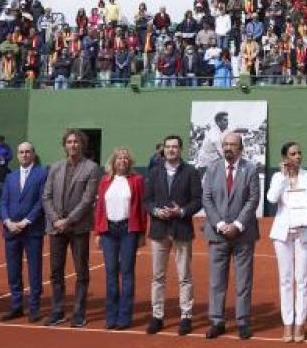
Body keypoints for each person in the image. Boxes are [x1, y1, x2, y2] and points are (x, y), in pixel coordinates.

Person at [202, 131, 261, 340]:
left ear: (241, 148)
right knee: (217, 281)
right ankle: (217, 321)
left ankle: (243, 321)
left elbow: (253, 199)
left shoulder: (251, 169)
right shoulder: (212, 168)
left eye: (233, 145)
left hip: (243, 234)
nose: (228, 148)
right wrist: (219, 224)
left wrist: (237, 224)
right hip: (217, 234)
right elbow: (207, 198)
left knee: (243, 280)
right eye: (225, 144)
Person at [143, 134, 202, 335]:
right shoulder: (154, 172)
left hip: (181, 229)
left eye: (175, 147)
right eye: (168, 147)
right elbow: (147, 200)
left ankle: (186, 316)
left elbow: (197, 200)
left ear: (180, 149)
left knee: (184, 276)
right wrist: (155, 211)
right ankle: (157, 316)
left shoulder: (191, 172)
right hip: (159, 229)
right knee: (157, 277)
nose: (171, 150)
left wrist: (182, 211)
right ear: (163, 150)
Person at [42, 128, 99, 327]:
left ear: (82, 145)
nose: (73, 145)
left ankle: (79, 313)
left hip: (78, 228)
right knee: (55, 272)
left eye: (76, 142)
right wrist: (56, 219)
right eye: (69, 142)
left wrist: (69, 220)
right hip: (56, 228)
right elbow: (46, 196)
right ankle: (57, 311)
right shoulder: (55, 167)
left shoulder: (91, 168)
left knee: (81, 272)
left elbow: (88, 199)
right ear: (64, 145)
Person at [267, 141, 307, 343]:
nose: (298, 156)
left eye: (299, 153)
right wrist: (283, 177)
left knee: (302, 279)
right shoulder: (277, 177)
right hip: (282, 234)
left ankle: (300, 323)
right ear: (285, 157)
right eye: (293, 153)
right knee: (286, 279)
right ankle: (287, 323)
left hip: (304, 232)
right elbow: (272, 199)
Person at [93, 146, 147, 329]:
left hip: (128, 231)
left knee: (127, 273)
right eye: (119, 158)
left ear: (129, 162)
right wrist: (98, 232)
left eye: (125, 158)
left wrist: (141, 233)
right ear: (113, 162)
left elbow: (141, 209)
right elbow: (99, 207)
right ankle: (111, 316)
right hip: (108, 231)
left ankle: (124, 317)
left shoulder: (137, 180)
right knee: (110, 274)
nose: (122, 161)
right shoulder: (105, 181)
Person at [0, 141, 47, 322]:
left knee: (34, 269)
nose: (25, 155)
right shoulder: (11, 176)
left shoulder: (42, 174)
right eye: (21, 152)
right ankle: (16, 305)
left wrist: (26, 221)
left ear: (33, 154)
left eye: (28, 152)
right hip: (11, 230)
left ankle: (34, 307)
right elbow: (3, 202)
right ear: (17, 155)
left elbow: (42, 201)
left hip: (32, 230)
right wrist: (7, 221)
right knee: (13, 270)